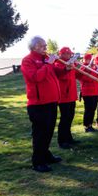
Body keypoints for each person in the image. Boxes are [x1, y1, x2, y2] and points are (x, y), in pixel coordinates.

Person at [21, 36, 62, 172]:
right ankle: (37, 162)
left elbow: (57, 74)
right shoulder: (28, 60)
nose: (45, 48)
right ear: (34, 47)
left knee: (49, 131)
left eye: (45, 45)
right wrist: (48, 64)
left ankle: (45, 154)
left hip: (51, 101)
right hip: (38, 104)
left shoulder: (46, 59)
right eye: (43, 46)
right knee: (40, 133)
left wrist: (66, 67)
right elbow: (36, 77)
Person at [54, 47, 79, 149]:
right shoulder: (57, 64)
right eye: (68, 54)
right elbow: (62, 77)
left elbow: (76, 75)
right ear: (62, 54)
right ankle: (62, 140)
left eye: (70, 54)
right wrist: (67, 68)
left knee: (70, 117)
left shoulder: (70, 63)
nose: (69, 56)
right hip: (64, 96)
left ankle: (69, 138)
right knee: (64, 119)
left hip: (72, 95)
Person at [78, 53, 98, 132]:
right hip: (87, 92)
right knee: (88, 109)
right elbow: (84, 78)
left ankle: (90, 125)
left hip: (95, 91)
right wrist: (90, 70)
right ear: (84, 59)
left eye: (90, 59)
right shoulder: (83, 67)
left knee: (93, 109)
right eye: (87, 59)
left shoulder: (93, 67)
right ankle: (86, 126)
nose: (88, 61)